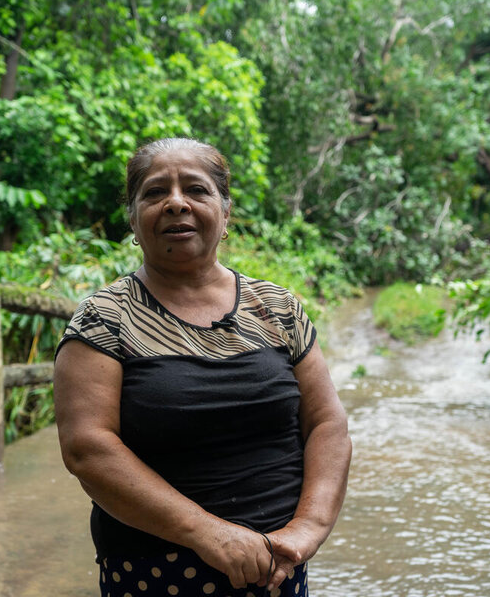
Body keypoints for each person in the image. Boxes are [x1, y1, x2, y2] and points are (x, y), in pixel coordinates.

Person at [53, 137, 352, 597]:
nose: (176, 203)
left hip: (279, 567)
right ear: (133, 219)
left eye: (196, 189)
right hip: (153, 574)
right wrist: (211, 535)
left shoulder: (277, 306)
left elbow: (327, 423)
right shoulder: (103, 318)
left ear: (225, 213)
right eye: (155, 193)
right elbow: (87, 449)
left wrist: (307, 529)